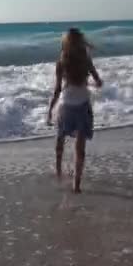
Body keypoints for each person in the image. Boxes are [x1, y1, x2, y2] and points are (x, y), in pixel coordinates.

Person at [47, 28, 103, 193]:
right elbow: (98, 82)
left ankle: (58, 172)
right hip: (83, 105)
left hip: (66, 106)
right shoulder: (86, 60)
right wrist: (92, 84)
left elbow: (57, 89)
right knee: (80, 149)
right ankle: (76, 185)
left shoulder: (61, 62)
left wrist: (50, 109)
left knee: (60, 140)